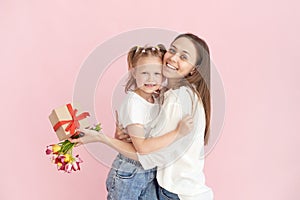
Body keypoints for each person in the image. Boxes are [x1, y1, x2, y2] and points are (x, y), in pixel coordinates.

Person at [70, 44, 193, 200]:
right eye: (145, 73)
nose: (151, 79)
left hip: (149, 171)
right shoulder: (134, 104)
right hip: (130, 173)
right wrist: (178, 133)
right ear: (134, 73)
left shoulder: (155, 97)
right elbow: (142, 148)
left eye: (157, 73)